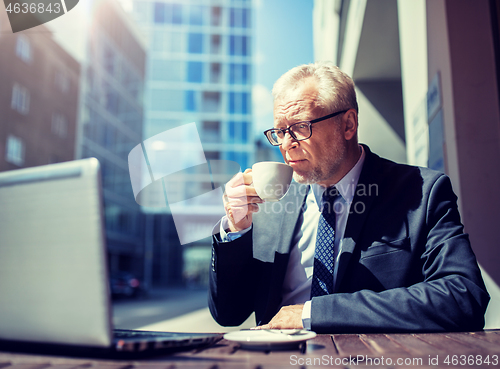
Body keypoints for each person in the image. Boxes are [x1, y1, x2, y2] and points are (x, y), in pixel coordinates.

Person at [208, 62, 489, 333]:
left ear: (348, 124)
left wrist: (313, 313)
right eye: (280, 131)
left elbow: (462, 296)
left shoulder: (422, 192)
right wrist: (236, 230)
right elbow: (229, 314)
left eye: (300, 127)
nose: (285, 144)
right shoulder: (271, 205)